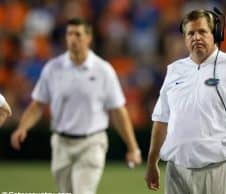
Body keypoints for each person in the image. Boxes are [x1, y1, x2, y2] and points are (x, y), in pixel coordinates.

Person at [10, 18, 142, 194]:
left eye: (78, 34)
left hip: (92, 142)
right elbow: (38, 104)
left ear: (88, 38)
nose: (73, 38)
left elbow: (118, 111)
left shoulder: (103, 70)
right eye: (69, 34)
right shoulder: (53, 68)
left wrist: (132, 148)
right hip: (61, 143)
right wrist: (23, 127)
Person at [145, 9, 226, 194]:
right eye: (190, 33)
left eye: (202, 31)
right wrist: (151, 162)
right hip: (176, 171)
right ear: (185, 38)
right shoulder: (174, 70)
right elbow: (161, 120)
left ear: (216, 34)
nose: (196, 37)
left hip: (219, 169)